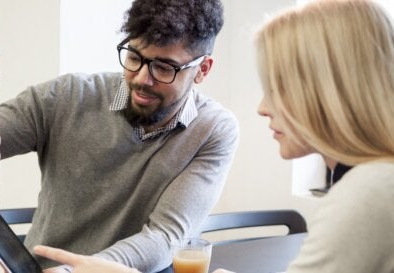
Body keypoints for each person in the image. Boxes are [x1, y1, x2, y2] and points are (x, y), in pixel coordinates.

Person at [34, 0, 394, 272]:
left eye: (278, 88)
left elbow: (165, 235)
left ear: (331, 92)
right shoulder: (372, 181)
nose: (263, 108)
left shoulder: (366, 195)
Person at [0, 0, 239, 272]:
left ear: (202, 69)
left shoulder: (213, 130)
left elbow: (165, 237)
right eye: (134, 57)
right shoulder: (69, 96)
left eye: (164, 68)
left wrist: (76, 270)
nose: (142, 79)